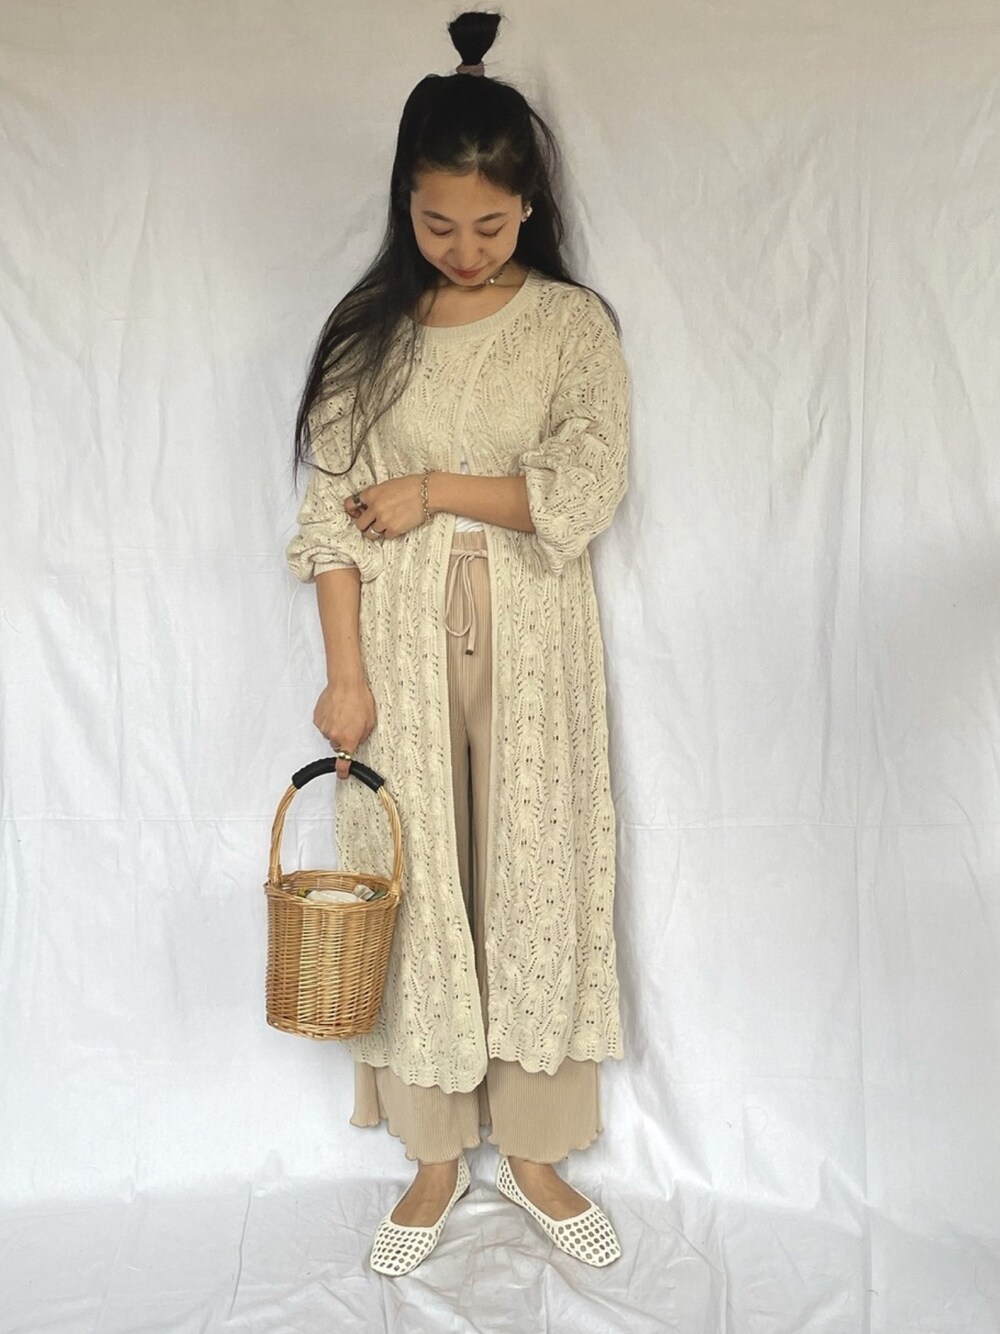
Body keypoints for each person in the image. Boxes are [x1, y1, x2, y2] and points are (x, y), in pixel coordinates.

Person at [286, 11, 631, 1277]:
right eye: (440, 224)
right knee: (417, 873)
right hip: (397, 642)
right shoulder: (367, 331)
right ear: (407, 204)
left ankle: (534, 1149)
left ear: (528, 204)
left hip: (534, 641)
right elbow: (328, 515)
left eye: (490, 224)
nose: (467, 248)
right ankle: (433, 1154)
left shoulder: (571, 325)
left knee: (535, 865)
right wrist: (344, 673)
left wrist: (433, 489)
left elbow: (584, 486)